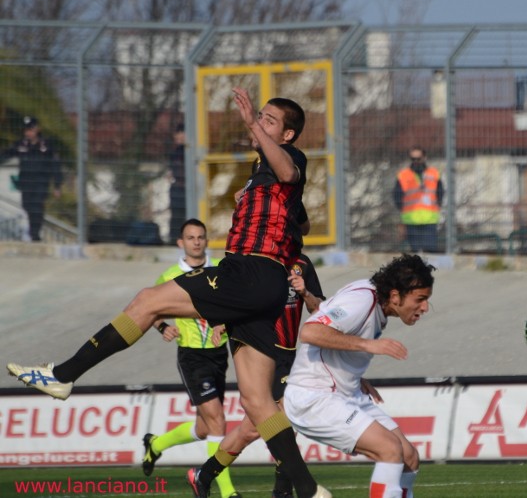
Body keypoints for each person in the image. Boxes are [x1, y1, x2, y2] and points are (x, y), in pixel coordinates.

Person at [8, 89, 331, 498]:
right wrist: (256, 203)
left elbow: (289, 174)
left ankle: (62, 375)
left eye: (269, 121)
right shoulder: (260, 177)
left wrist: (252, 128)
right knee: (257, 401)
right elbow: (298, 221)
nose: (259, 123)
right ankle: (309, 490)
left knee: (147, 301)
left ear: (287, 136)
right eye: (259, 117)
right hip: (262, 283)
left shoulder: (290, 160)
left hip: (249, 271)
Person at [283, 253, 436, 498]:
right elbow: (311, 332)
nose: (425, 307)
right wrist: (369, 345)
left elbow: (331, 321)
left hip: (345, 392)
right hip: (313, 396)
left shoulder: (371, 300)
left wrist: (353, 374)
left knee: (408, 457)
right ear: (395, 296)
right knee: (389, 450)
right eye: (420, 299)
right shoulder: (362, 300)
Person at [188, 252, 324, 498]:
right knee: (284, 417)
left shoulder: (302, 263)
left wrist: (305, 292)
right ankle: (282, 491)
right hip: (263, 352)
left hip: (292, 355)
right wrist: (221, 321)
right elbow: (228, 298)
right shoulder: (253, 261)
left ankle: (204, 475)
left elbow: (320, 310)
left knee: (250, 430)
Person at [139, 218, 241, 498]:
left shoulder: (219, 270)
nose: (196, 241)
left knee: (205, 427)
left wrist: (225, 321)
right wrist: (163, 327)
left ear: (206, 241)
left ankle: (156, 445)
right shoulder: (170, 275)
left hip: (219, 354)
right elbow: (151, 309)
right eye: (190, 237)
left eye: (200, 237)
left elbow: (234, 302)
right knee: (218, 421)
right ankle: (226, 491)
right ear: (181, 243)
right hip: (192, 357)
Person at [0, 115, 62, 242]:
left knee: (37, 208)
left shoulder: (46, 146)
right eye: (26, 130)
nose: (28, 132)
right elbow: (6, 154)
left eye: (30, 129)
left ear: (37, 129)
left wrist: (57, 185)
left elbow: (55, 166)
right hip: (26, 182)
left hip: (41, 182)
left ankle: (35, 235)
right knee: (27, 206)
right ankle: (33, 233)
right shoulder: (22, 145)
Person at [393, 146, 444, 252]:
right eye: (413, 159)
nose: (416, 161)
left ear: (424, 157)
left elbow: (440, 192)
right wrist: (402, 208)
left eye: (418, 158)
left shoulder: (434, 173)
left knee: (431, 250)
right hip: (411, 219)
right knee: (415, 252)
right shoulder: (403, 175)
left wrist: (438, 205)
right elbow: (397, 194)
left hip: (430, 219)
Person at [168, 123, 188, 243]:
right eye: (177, 133)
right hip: (178, 189)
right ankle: (175, 239)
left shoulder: (189, 152)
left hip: (186, 189)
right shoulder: (176, 152)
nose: (178, 136)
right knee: (176, 215)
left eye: (181, 133)